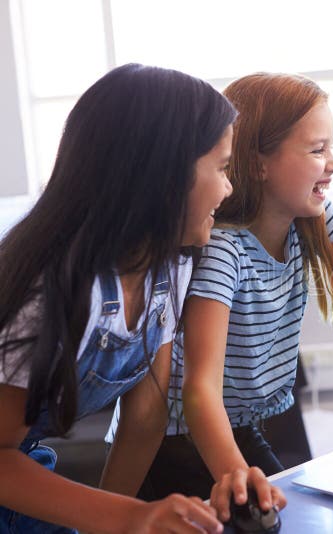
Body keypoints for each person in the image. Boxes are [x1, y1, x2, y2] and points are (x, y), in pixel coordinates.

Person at [117, 72, 333, 519]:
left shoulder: (315, 217)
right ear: (258, 163)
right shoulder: (224, 250)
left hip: (240, 425)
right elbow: (200, 391)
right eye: (318, 150)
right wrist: (239, 482)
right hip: (179, 442)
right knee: (272, 517)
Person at [0, 63, 239, 534]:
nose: (228, 188)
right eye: (222, 167)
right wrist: (131, 517)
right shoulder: (49, 292)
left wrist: (118, 524)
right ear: (164, 174)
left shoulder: (171, 265)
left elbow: (146, 416)